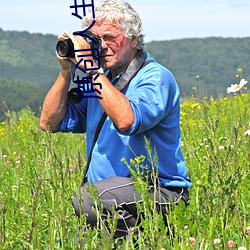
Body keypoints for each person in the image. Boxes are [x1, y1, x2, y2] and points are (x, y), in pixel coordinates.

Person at [40, 0, 192, 243]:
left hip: (159, 191)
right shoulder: (102, 82)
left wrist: (91, 70)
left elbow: (127, 120)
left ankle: (146, 242)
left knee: (87, 200)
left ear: (133, 39)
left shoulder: (154, 77)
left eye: (110, 37)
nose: (102, 46)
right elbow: (49, 123)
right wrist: (66, 70)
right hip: (110, 199)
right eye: (95, 39)